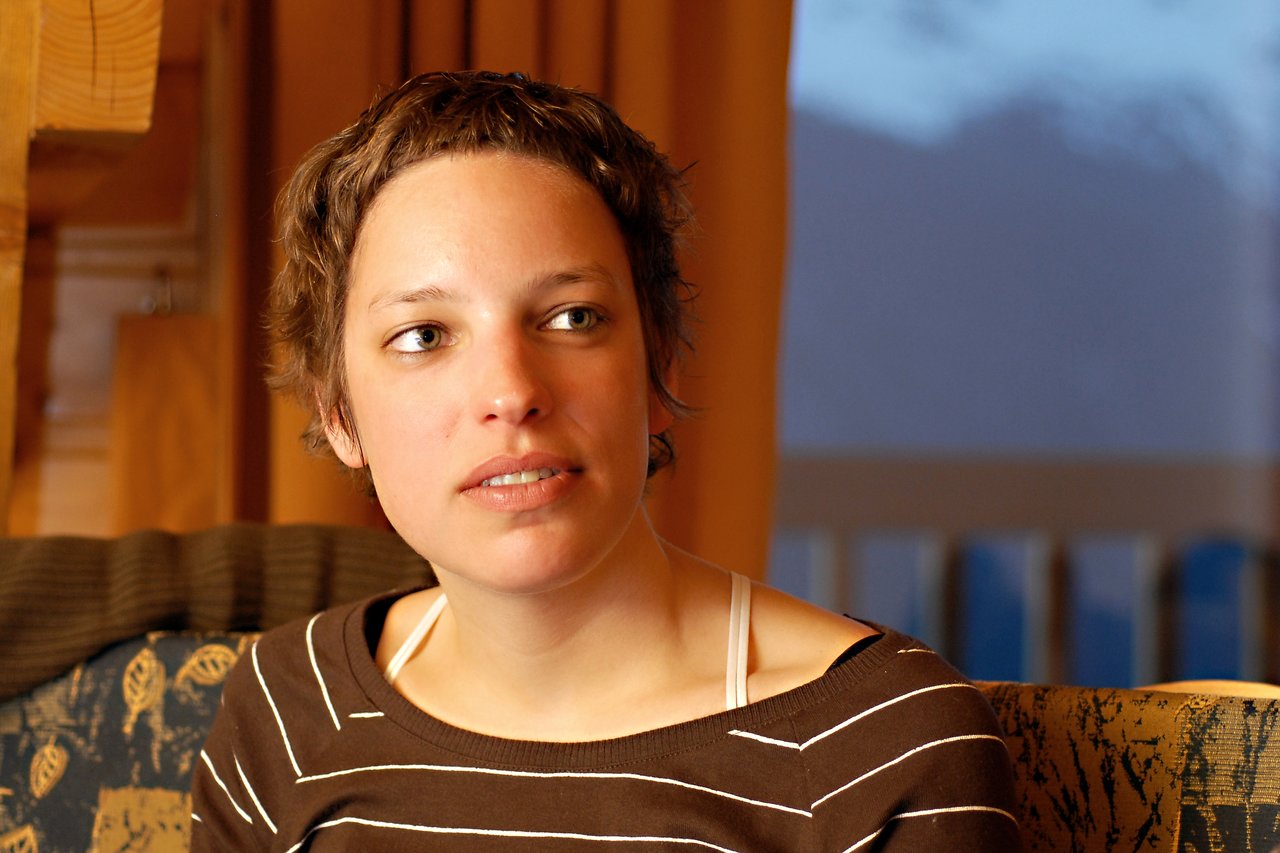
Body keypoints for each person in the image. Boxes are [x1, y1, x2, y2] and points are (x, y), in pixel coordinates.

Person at [190, 70, 1020, 852]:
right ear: (340, 416)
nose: (511, 391)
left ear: (658, 369)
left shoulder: (884, 746)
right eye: (424, 336)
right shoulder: (286, 708)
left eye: (571, 316)